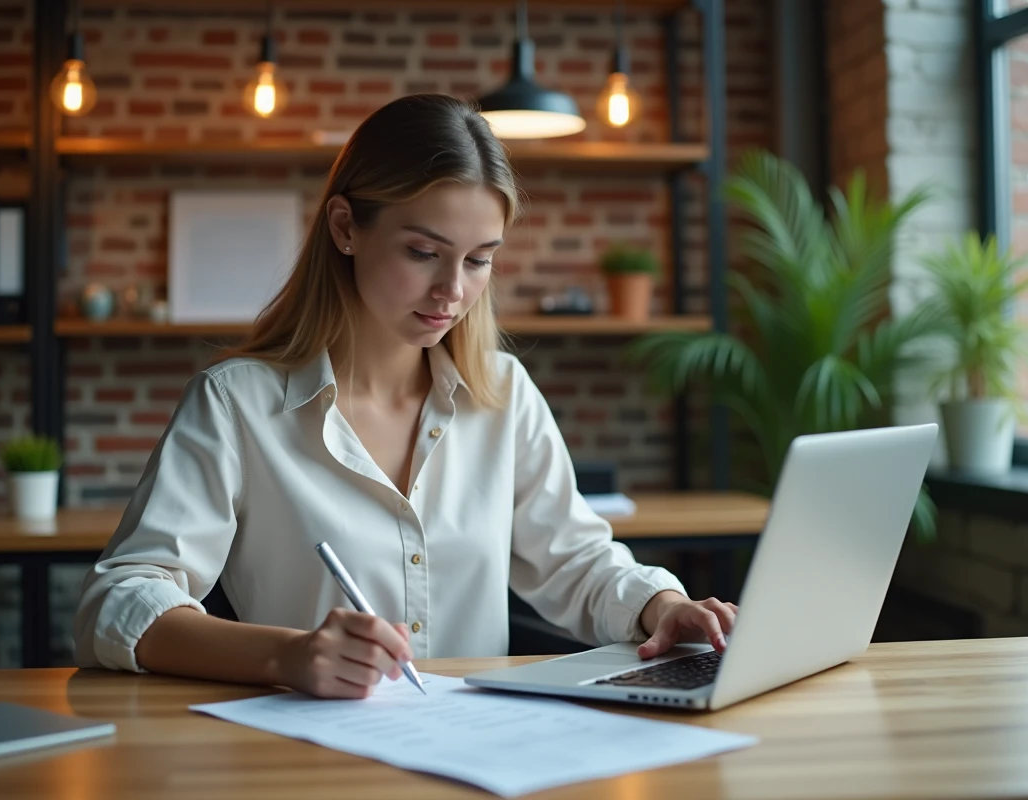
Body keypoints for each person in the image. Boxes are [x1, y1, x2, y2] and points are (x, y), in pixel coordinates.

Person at [73, 93, 737, 699]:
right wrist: (288, 656)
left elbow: (575, 562)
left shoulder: (503, 395)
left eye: (479, 260)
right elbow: (119, 602)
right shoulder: (236, 404)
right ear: (345, 228)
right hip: (302, 757)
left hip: (477, 756)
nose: (452, 289)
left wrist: (661, 607)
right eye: (424, 252)